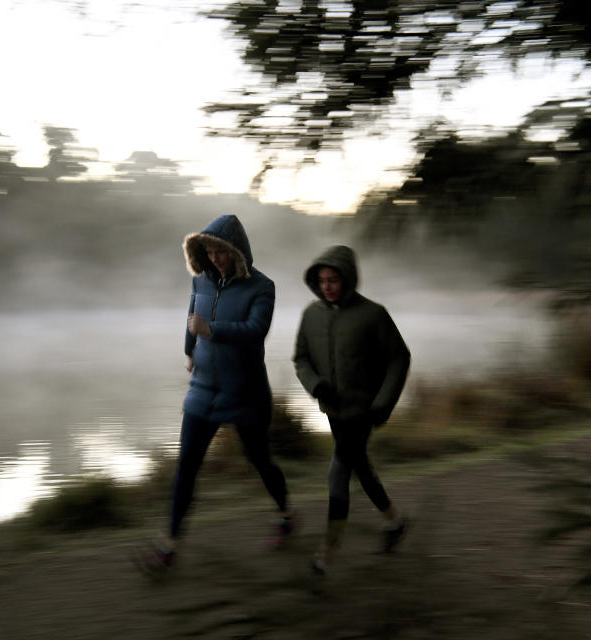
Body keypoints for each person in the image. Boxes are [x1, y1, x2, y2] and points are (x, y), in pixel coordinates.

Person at [136, 214, 294, 572]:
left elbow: (255, 331)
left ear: (236, 251)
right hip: (203, 390)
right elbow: (192, 317)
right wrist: (189, 349)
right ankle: (168, 546)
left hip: (245, 392)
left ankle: (286, 514)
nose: (213, 257)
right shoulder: (201, 282)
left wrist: (212, 331)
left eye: (219, 251)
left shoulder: (262, 287)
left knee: (260, 461)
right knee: (187, 468)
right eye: (207, 251)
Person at [293, 245, 411, 575]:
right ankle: (396, 523)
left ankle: (327, 554)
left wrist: (383, 404)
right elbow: (300, 358)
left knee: (338, 475)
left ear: (348, 278)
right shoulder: (311, 315)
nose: (328, 285)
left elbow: (399, 358)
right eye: (322, 280)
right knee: (361, 468)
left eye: (334, 279)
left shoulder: (373, 314)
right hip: (333, 409)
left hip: (363, 411)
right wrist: (315, 384)